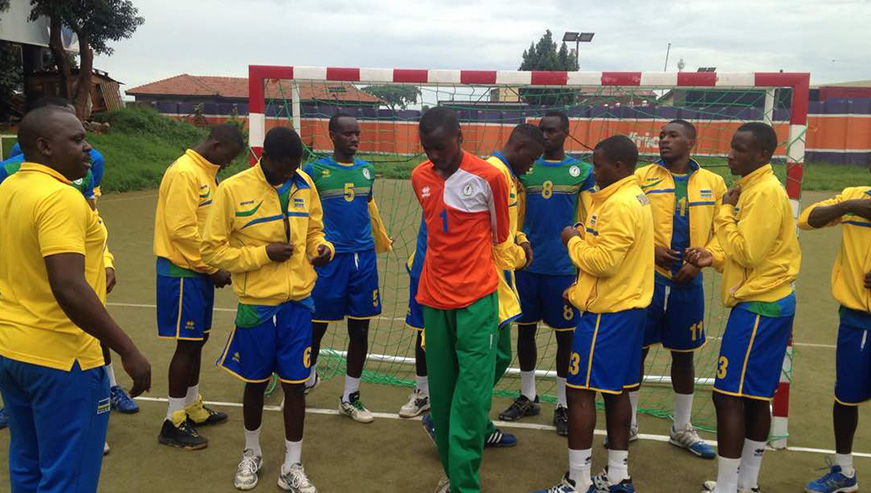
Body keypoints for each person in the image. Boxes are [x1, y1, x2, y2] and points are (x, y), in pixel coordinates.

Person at [0, 105, 151, 492]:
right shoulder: (59, 197)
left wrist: (104, 262)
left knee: (28, 466)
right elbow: (67, 285)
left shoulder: (10, 187)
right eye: (78, 140)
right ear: (45, 146)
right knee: (67, 479)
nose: (89, 149)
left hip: (14, 352)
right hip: (62, 357)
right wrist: (127, 349)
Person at [202, 126, 332, 492]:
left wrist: (322, 250)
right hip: (256, 307)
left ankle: (292, 464)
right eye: (285, 168)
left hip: (299, 305)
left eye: (295, 168)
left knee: (295, 386)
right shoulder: (232, 189)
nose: (290, 174)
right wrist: (262, 255)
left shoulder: (305, 185)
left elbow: (315, 233)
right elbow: (211, 251)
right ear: (266, 158)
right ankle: (252, 452)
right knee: (256, 384)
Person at [686, 122, 801, 493]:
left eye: (739, 149)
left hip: (759, 307)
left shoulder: (762, 193)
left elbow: (747, 251)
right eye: (731, 147)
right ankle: (746, 483)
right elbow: (748, 256)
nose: (729, 154)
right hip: (769, 299)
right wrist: (713, 259)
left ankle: (726, 486)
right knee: (753, 396)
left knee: (728, 396)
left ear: (763, 155)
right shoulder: (754, 188)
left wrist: (724, 212)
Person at [536, 135, 653, 493]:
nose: (593, 169)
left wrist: (571, 239)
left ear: (618, 166)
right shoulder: (630, 196)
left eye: (598, 164)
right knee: (616, 392)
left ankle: (579, 480)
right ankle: (618, 476)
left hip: (608, 315)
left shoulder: (620, 204)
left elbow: (603, 262)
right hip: (628, 310)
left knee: (580, 391)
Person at [411, 107, 511, 493]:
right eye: (427, 148)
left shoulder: (489, 177)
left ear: (460, 137)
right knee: (442, 395)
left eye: (440, 147)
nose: (434, 156)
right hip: (433, 301)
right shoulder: (419, 176)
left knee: (471, 398)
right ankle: (454, 475)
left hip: (476, 302)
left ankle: (464, 486)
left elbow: (499, 235)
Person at [626, 120, 723, 459]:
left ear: (691, 142)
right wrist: (649, 249)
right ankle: (630, 422)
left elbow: (722, 229)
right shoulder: (641, 178)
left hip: (689, 281)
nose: (664, 140)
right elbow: (625, 221)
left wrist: (700, 262)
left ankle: (681, 427)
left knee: (684, 356)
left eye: (673, 136)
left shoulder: (713, 182)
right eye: (662, 135)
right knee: (636, 350)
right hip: (647, 278)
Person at [504, 110, 595, 436]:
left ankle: (563, 404)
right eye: (542, 130)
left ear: (567, 133)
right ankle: (528, 395)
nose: (546, 136)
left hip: (562, 269)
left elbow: (587, 217)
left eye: (553, 131)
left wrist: (579, 254)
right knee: (524, 332)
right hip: (527, 266)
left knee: (565, 336)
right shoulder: (525, 168)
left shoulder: (581, 172)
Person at [153, 124, 242, 449]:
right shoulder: (184, 173)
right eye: (228, 157)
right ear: (216, 144)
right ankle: (172, 422)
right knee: (187, 344)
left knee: (198, 340)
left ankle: (192, 405)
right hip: (181, 272)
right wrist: (212, 267)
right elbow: (181, 231)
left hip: (198, 272)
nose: (229, 164)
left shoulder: (207, 173)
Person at [302, 113, 391, 423]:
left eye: (358, 133)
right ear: (332, 135)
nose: (354, 138)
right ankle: (307, 375)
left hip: (363, 259)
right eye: (347, 133)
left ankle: (350, 396)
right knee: (316, 324)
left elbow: (366, 209)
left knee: (361, 327)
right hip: (330, 261)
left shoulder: (368, 171)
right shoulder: (314, 171)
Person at [798, 172, 871, 493]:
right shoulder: (854, 195)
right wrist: (852, 204)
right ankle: (844, 470)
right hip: (857, 319)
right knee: (846, 397)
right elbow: (807, 219)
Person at [400, 216, 431, 418]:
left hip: (457, 270)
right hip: (424, 267)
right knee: (423, 332)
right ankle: (423, 392)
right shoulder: (428, 186)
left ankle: (454, 391)